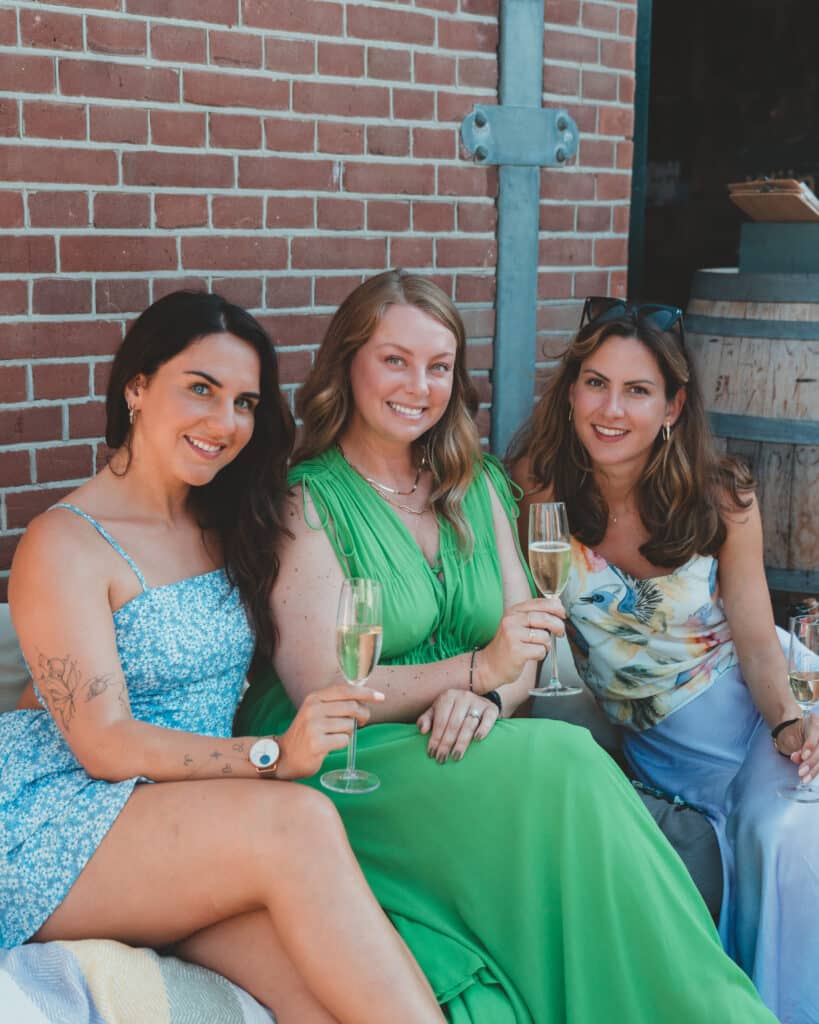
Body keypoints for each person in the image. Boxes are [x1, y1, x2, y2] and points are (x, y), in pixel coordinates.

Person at [236, 270, 778, 1024]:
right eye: (394, 360)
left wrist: (488, 695)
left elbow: (524, 644)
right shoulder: (307, 500)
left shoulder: (478, 484)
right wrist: (472, 669)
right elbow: (322, 686)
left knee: (568, 776)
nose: (418, 386)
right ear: (347, 365)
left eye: (439, 366)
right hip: (349, 759)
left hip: (458, 736)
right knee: (566, 759)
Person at [1, 290, 444, 1024]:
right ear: (136, 387)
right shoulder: (66, 541)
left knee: (325, 1004)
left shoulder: (226, 519)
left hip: (187, 818)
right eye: (200, 389)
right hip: (63, 822)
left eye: (244, 403)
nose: (224, 422)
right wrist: (272, 755)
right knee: (297, 821)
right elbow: (104, 744)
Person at [509, 295, 819, 1024]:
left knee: (782, 837)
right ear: (571, 391)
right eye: (595, 382)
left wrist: (789, 722)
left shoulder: (721, 496)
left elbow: (755, 636)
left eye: (637, 390)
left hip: (758, 711)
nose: (611, 409)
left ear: (672, 407)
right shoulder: (534, 489)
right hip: (666, 750)